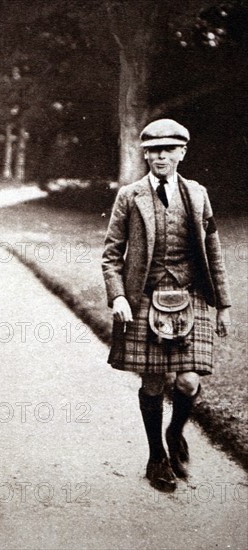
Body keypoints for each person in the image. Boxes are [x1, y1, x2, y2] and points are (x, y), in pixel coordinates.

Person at [102, 119, 231, 492]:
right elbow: (111, 254)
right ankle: (156, 456)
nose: (160, 156)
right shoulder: (130, 195)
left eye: (168, 149)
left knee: (189, 382)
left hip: (190, 297)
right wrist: (119, 296)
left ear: (181, 153)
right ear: (145, 154)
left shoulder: (197, 194)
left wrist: (221, 304)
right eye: (153, 150)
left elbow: (213, 252)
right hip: (145, 296)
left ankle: (175, 433)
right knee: (155, 382)